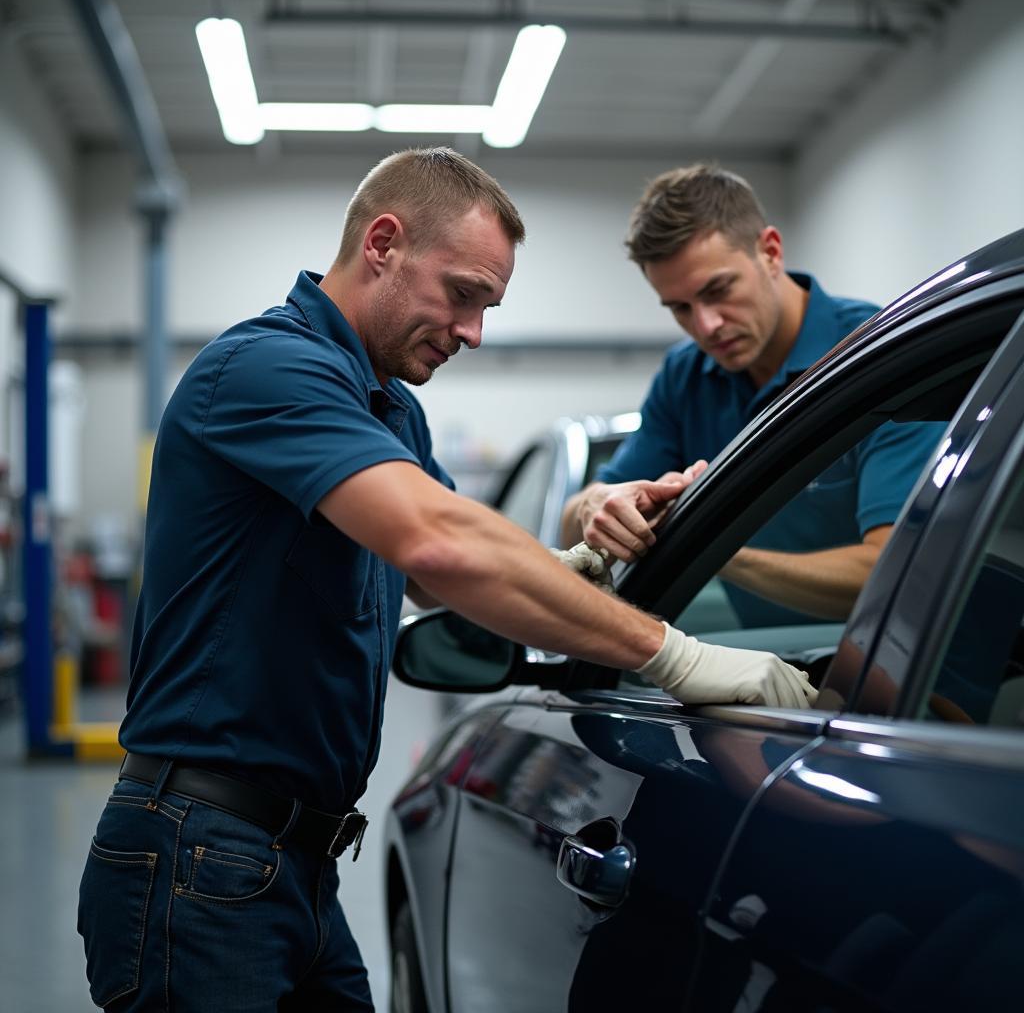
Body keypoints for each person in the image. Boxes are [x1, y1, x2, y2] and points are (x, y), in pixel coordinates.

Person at [77, 148, 815, 1013]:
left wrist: (577, 565)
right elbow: (438, 546)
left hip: (294, 865)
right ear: (383, 242)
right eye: (463, 294)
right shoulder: (265, 369)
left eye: (488, 307)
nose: (474, 333)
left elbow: (440, 573)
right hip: (198, 854)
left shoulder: (390, 407)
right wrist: (676, 657)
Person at [561, 163, 943, 626]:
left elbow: (893, 573)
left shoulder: (881, 354)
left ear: (770, 251)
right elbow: (573, 521)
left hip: (908, 675)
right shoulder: (685, 376)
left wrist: (707, 540)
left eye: (718, 290)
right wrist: (596, 505)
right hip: (767, 671)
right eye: (680, 307)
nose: (706, 326)